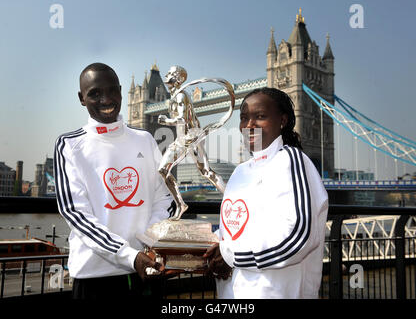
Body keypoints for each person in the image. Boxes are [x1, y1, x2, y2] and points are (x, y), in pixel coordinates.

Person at [53, 63, 174, 299]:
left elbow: (165, 198)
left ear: (121, 92)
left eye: (111, 91)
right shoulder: (69, 145)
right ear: (81, 98)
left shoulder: (145, 139)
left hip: (147, 272)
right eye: (94, 94)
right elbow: (76, 214)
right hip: (96, 279)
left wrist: (149, 245)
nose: (105, 100)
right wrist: (130, 256)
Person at [204, 87, 328, 299]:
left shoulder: (291, 161)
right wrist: (208, 248)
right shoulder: (240, 172)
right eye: (244, 118)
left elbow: (297, 237)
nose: (250, 125)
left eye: (260, 117)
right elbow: (233, 232)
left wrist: (230, 255)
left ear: (282, 120)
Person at [158, 65, 226, 220]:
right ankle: (181, 205)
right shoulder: (174, 97)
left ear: (179, 79)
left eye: (170, 73)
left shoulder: (181, 96)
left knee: (205, 172)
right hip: (183, 138)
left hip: (191, 138)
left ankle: (232, 198)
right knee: (165, 170)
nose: (166, 75)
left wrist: (166, 121)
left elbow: (182, 119)